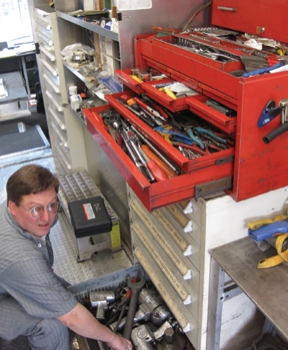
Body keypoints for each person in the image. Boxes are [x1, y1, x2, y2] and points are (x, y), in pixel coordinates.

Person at [0, 164, 132, 350]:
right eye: (36, 209)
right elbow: (72, 317)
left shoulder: (19, 214)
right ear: (12, 207)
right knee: (52, 326)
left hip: (9, 281)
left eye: (52, 205)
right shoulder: (21, 258)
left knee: (67, 295)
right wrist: (113, 339)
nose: (47, 217)